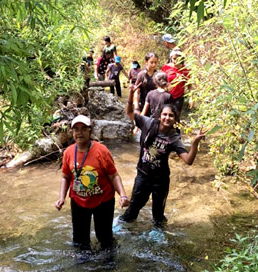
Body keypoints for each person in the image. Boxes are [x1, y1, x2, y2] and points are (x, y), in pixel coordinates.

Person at [120, 86, 206, 227]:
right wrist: (130, 94)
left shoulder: (174, 137)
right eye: (165, 114)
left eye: (171, 116)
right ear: (160, 115)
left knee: (158, 217)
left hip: (161, 181)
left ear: (175, 119)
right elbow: (129, 112)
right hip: (143, 175)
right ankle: (122, 230)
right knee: (132, 210)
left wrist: (195, 143)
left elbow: (188, 160)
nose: (167, 118)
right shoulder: (148, 123)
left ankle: (158, 238)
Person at [55, 115, 129, 249]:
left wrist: (123, 195)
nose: (80, 133)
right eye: (76, 129)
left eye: (84, 129)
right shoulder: (69, 152)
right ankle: (84, 266)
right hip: (78, 201)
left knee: (104, 237)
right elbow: (65, 177)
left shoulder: (101, 151)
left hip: (103, 201)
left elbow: (114, 176)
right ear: (72, 132)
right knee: (79, 240)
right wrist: (61, 198)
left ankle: (109, 263)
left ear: (90, 131)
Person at [161, 49, 193, 117]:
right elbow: (160, 81)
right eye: (174, 58)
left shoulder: (185, 70)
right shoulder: (166, 67)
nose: (175, 61)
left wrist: (191, 98)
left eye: (178, 59)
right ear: (171, 58)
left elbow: (189, 84)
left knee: (175, 116)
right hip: (167, 96)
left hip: (179, 97)